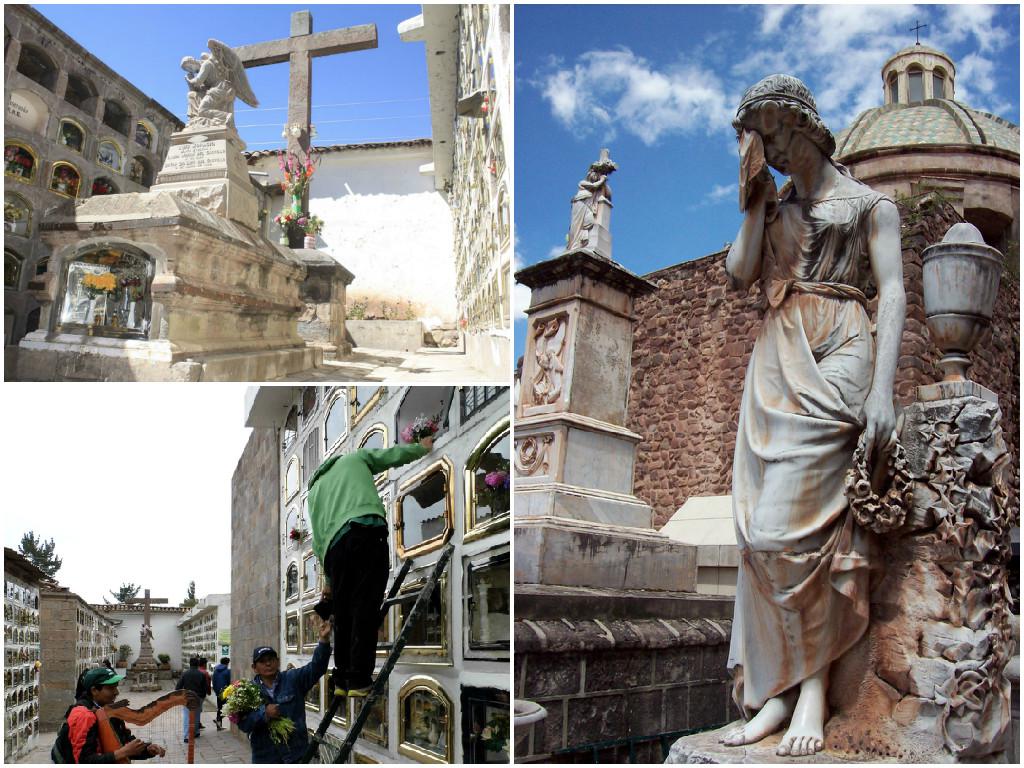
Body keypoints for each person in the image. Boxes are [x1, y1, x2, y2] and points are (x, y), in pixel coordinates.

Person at [721, 74, 905, 758]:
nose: (770, 152)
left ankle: (813, 691)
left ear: (804, 127)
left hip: (841, 345)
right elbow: (740, 273)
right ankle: (777, 686)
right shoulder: (775, 207)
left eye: (775, 136)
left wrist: (882, 391)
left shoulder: (870, 205)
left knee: (799, 530)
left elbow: (893, 295)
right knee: (758, 535)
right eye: (760, 144)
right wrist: (753, 204)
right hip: (777, 353)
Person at [307, 435, 434, 697]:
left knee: (343, 613)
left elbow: (317, 540)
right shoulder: (354, 459)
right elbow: (391, 456)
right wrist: (421, 448)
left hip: (333, 551)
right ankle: (359, 679)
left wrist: (328, 581)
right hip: (364, 532)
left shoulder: (314, 492)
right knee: (365, 606)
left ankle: (341, 680)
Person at [237, 623, 331, 763]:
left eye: (271, 660)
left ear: (278, 662)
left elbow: (317, 668)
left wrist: (323, 640)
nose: (268, 664)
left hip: (297, 755)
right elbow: (244, 724)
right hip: (266, 758)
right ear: (254, 668)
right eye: (262, 661)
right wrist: (264, 713)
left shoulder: (293, 679)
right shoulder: (247, 692)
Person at [54, 667, 166, 762]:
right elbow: (84, 760)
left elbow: (124, 741)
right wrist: (122, 753)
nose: (117, 692)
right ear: (94, 690)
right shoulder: (83, 715)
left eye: (116, 687)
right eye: (111, 688)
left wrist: (147, 749)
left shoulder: (108, 710)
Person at [175, 657, 207, 742]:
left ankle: (187, 736)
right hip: (198, 697)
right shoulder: (201, 674)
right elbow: (205, 687)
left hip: (187, 697)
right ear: (198, 664)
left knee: (186, 716)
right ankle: (196, 732)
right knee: (197, 715)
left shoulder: (185, 674)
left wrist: (180, 696)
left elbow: (178, 687)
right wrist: (202, 697)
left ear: (190, 664)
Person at [212, 657, 231, 730]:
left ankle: (219, 725)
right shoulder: (227, 671)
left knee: (220, 708)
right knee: (228, 708)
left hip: (218, 692)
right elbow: (229, 682)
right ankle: (218, 720)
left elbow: (213, 681)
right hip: (225, 692)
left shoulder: (215, 671)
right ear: (227, 663)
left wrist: (216, 691)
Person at [197, 658, 213, 729]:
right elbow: (207, 684)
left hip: (193, 693)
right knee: (199, 709)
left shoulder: (196, 671)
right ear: (204, 664)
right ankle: (197, 723)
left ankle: (197, 723)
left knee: (196, 709)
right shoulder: (205, 673)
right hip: (201, 694)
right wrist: (209, 692)